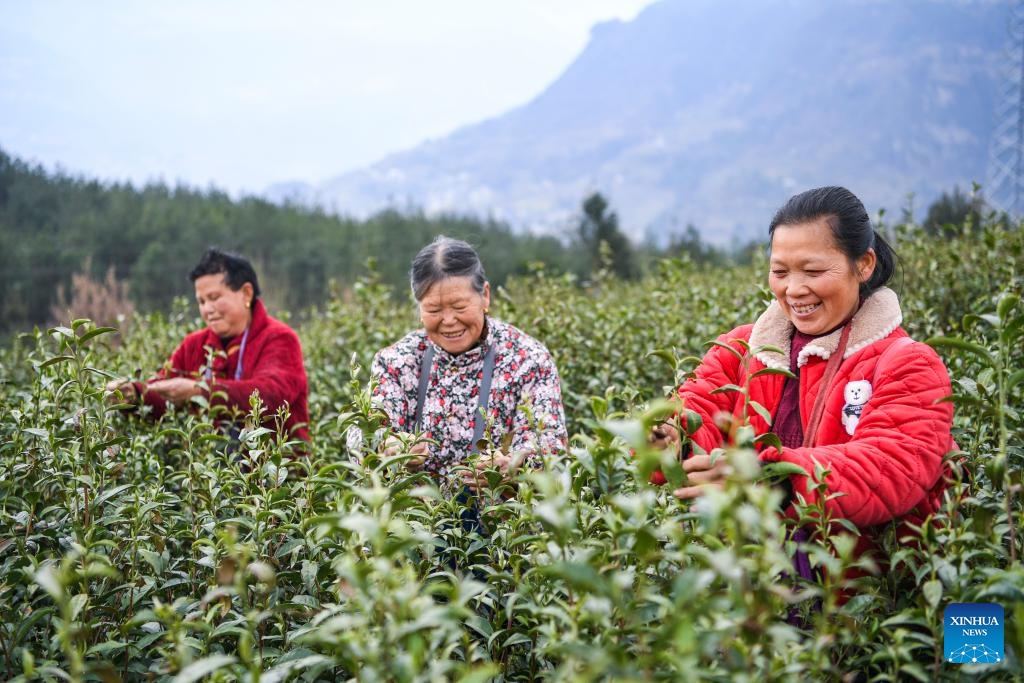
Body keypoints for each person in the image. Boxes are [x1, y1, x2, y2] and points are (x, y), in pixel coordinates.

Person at [649, 186, 955, 577]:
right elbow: (699, 411)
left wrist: (771, 477)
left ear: (863, 265)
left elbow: (890, 468)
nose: (793, 289)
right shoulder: (742, 349)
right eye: (780, 272)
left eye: (813, 271)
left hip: (863, 606)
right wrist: (668, 438)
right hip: (756, 597)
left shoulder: (908, 364)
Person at [371, 236, 567, 494]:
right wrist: (388, 446)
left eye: (459, 306)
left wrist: (514, 467)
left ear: (484, 296)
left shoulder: (528, 359)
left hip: (506, 527)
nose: (449, 320)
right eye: (433, 309)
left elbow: (551, 448)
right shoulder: (397, 362)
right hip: (417, 527)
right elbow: (365, 436)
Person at [106, 247, 310, 443]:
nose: (208, 309)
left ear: (246, 293)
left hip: (274, 474)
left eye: (214, 298)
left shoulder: (279, 338)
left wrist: (199, 392)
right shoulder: (194, 345)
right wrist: (134, 394)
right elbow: (163, 394)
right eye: (201, 302)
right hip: (212, 474)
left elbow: (270, 396)